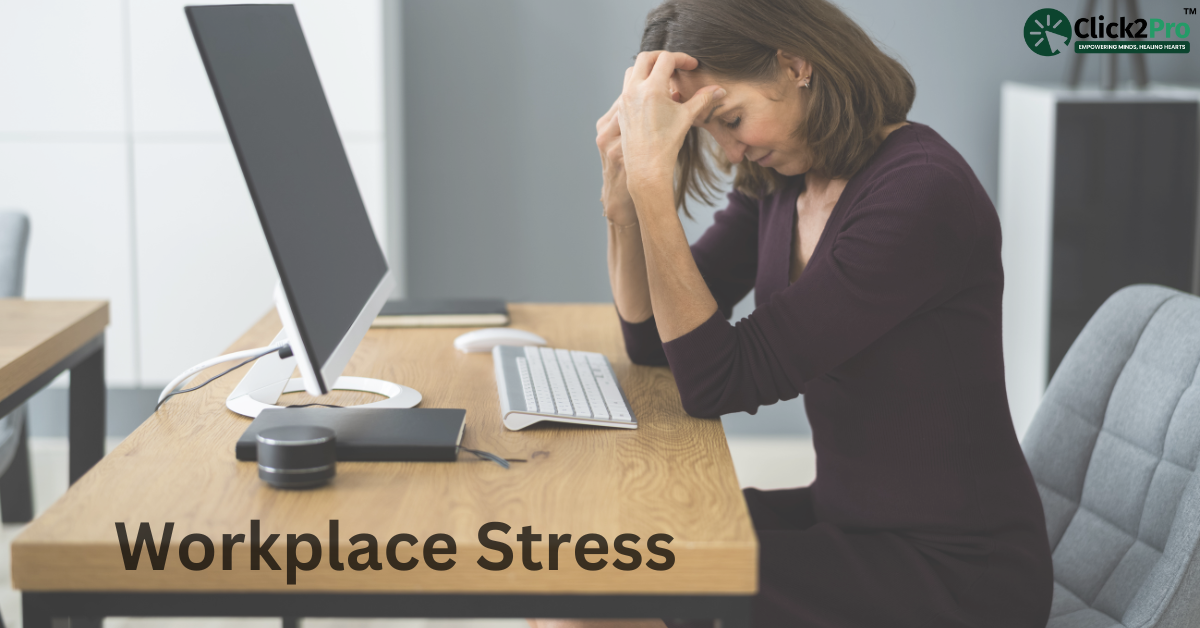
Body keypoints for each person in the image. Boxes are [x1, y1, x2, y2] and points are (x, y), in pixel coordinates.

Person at [531, 0, 1053, 627]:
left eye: (731, 119)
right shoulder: (784, 183)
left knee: (603, 600)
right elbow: (654, 344)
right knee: (580, 558)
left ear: (795, 66)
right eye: (709, 132)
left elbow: (716, 380)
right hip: (849, 518)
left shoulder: (919, 193)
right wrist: (623, 207)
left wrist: (653, 186)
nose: (728, 153)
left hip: (955, 572)